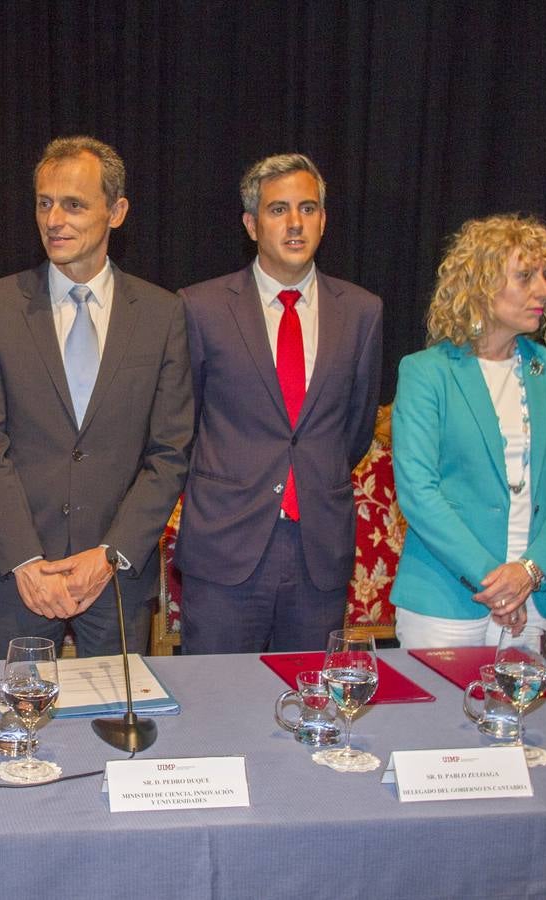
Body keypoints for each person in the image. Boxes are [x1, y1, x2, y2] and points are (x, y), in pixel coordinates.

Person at [0, 136, 192, 658]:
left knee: (112, 730)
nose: (54, 219)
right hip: (20, 578)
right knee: (17, 731)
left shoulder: (161, 314)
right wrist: (24, 560)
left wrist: (110, 554)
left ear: (117, 211)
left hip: (116, 579)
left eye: (73, 204)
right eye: (44, 203)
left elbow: (170, 452)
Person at [175, 153, 383, 653]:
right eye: (278, 210)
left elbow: (353, 432)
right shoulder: (199, 308)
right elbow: (181, 427)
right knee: (217, 712)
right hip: (226, 547)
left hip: (318, 552)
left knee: (310, 709)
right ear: (250, 224)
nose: (295, 223)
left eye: (308, 208)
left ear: (324, 220)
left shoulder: (361, 312)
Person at [391, 214, 546, 647]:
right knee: (440, 716)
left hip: (536, 599)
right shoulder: (426, 372)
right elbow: (418, 492)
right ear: (480, 285)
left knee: (517, 716)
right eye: (525, 276)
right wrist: (497, 582)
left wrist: (529, 572)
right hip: (444, 598)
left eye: (544, 275)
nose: (545, 290)